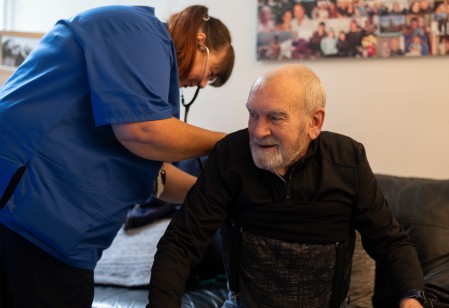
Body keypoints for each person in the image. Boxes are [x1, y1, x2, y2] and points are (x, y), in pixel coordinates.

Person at [0, 4, 234, 308]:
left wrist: (218, 198)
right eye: (211, 73)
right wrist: (228, 144)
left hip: (58, 231)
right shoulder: (139, 31)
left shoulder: (148, 72)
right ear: (200, 40)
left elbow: (154, 175)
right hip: (31, 212)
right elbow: (143, 132)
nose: (203, 84)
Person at [148, 64, 429, 308]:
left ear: (314, 122)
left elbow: (390, 243)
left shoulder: (348, 160)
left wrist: (412, 295)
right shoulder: (229, 157)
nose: (257, 131)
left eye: (275, 117)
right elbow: (181, 243)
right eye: (253, 115)